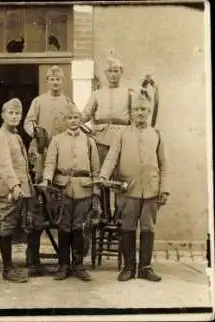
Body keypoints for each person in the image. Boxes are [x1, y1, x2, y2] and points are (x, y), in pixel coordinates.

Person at [99, 95, 170, 282]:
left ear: (148, 112)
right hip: (127, 189)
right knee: (128, 227)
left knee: (148, 228)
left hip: (151, 190)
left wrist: (164, 189)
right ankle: (129, 267)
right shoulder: (121, 134)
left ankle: (145, 268)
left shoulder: (156, 134)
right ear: (131, 112)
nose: (140, 113)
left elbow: (164, 165)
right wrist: (103, 176)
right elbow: (112, 157)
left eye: (144, 110)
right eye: (137, 109)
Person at [42, 104, 101, 281]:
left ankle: (78, 265)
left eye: (76, 117)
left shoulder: (89, 142)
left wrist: (96, 190)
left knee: (79, 228)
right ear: (65, 121)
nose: (74, 121)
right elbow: (50, 163)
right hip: (62, 189)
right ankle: (63, 265)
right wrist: (46, 179)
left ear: (81, 119)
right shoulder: (57, 140)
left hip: (84, 189)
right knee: (64, 227)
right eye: (70, 118)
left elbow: (96, 169)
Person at [0, 98, 44, 283]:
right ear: (3, 115)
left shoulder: (17, 136)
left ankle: (33, 262)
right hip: (8, 190)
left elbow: (21, 165)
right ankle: (8, 269)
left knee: (34, 224)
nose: (14, 117)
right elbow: (3, 165)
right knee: (8, 226)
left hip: (25, 189)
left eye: (17, 114)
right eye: (10, 113)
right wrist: (15, 186)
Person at [81, 55, 139, 218]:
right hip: (101, 141)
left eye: (116, 71)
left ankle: (119, 215)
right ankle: (104, 213)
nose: (113, 74)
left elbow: (136, 119)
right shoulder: (97, 94)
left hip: (122, 142)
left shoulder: (130, 94)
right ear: (106, 74)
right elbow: (85, 114)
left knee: (120, 179)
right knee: (102, 178)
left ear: (121, 72)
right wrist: (74, 118)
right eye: (110, 71)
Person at [24, 65, 75, 183]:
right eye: (52, 79)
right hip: (43, 148)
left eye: (58, 79)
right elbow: (28, 122)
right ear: (47, 81)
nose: (55, 82)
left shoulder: (68, 102)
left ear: (63, 81)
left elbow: (76, 121)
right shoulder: (38, 101)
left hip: (63, 147)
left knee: (62, 177)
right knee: (41, 178)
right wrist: (36, 132)